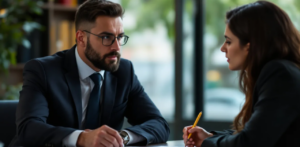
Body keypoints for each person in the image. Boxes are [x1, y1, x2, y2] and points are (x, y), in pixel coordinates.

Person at [10, 0, 170, 146]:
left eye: (119, 37)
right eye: (106, 37)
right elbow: (28, 129)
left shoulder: (124, 71)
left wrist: (122, 137)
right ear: (81, 38)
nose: (116, 47)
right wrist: (81, 138)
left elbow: (159, 124)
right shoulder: (43, 71)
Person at [183, 1, 300, 147]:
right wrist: (210, 137)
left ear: (249, 46)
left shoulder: (279, 74)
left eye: (229, 41)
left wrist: (207, 143)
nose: (222, 48)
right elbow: (251, 134)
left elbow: (249, 143)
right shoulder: (282, 71)